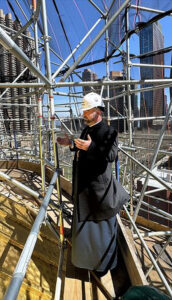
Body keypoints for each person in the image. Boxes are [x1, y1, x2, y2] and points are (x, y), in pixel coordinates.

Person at [57, 92, 129, 275]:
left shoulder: (109, 131)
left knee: (100, 229)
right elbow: (82, 144)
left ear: (97, 111)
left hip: (98, 191)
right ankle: (86, 262)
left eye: (87, 111)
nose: (84, 114)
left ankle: (101, 267)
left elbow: (111, 155)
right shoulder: (88, 129)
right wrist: (70, 144)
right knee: (87, 229)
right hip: (86, 189)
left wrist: (91, 148)